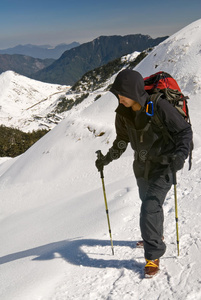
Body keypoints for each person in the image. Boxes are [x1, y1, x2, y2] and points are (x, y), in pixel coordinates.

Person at [95, 69, 193, 278]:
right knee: (149, 205)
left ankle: (153, 254)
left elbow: (184, 131)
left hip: (165, 165)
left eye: (122, 94)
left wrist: (180, 156)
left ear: (133, 91)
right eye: (117, 94)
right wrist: (106, 159)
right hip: (141, 167)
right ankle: (155, 236)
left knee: (149, 207)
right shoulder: (122, 114)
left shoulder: (159, 106)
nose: (119, 98)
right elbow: (122, 140)